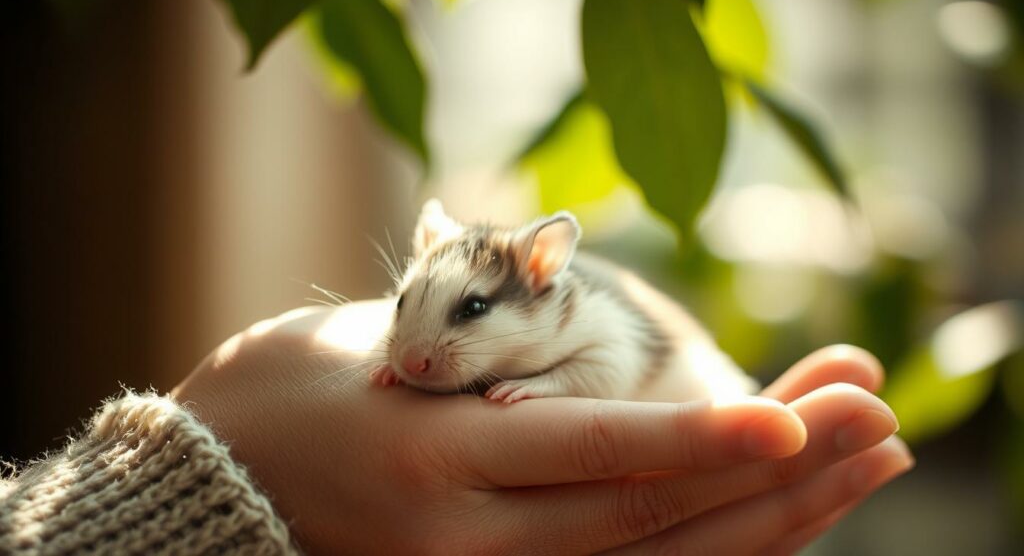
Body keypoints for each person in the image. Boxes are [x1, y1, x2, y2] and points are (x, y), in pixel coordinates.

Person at [0, 300, 912, 554]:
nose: (418, 350)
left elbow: (607, 375)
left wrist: (546, 387)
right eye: (405, 308)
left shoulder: (586, 331)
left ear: (545, 282)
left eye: (470, 314)